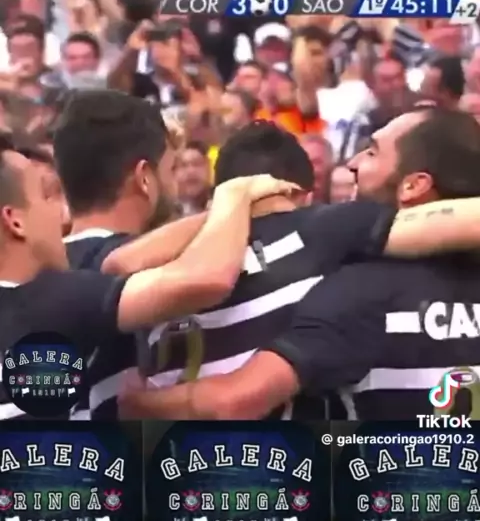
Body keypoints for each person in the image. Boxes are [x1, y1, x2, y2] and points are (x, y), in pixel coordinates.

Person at [120, 113, 480, 420]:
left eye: (371, 151)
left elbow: (234, 399)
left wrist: (137, 404)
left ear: (414, 185)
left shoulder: (358, 289)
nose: (352, 162)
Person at [0, 127, 297, 421]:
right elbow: (208, 278)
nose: (61, 212)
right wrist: (235, 195)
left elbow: (120, 265)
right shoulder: (45, 300)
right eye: (46, 196)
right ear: (15, 221)